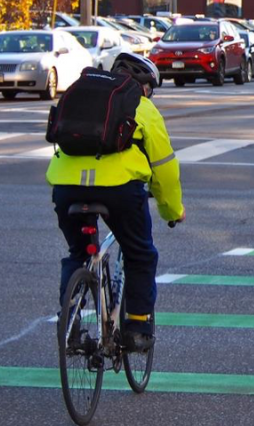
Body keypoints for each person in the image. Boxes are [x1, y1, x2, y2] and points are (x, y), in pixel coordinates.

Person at [47, 52, 184, 352]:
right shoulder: (142, 106)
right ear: (146, 85)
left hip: (66, 187)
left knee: (79, 252)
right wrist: (172, 210)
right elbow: (165, 168)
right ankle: (137, 327)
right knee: (140, 254)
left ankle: (68, 324)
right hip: (119, 190)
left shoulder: (81, 93)